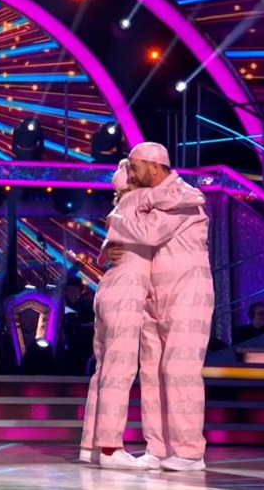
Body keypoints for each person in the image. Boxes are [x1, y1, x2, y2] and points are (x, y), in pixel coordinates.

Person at [79, 159, 203, 469]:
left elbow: (129, 239)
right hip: (131, 292)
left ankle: (98, 448)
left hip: (146, 292)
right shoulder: (138, 200)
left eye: (136, 168)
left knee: (116, 369)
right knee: (122, 370)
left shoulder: (128, 207)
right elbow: (153, 227)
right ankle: (110, 449)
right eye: (131, 172)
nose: (135, 175)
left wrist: (109, 241)